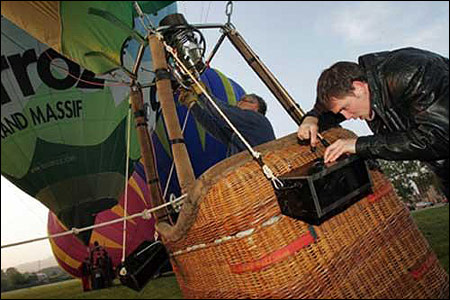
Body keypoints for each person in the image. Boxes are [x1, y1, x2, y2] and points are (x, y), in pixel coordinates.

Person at [297, 47, 449, 199]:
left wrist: (360, 145)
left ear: (359, 88)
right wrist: (312, 117)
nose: (347, 117)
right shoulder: (368, 93)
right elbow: (329, 112)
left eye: (345, 108)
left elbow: (441, 137)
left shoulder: (414, 72)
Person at [178, 83, 276, 157]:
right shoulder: (240, 135)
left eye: (243, 100)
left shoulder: (258, 119)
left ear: (255, 106)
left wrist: (203, 94)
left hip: (258, 168)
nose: (238, 103)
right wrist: (192, 104)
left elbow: (223, 112)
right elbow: (213, 128)